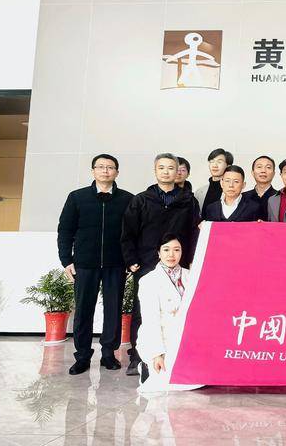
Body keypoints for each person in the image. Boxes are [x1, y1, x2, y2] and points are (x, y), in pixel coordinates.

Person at [121, 153, 200, 376]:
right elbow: (128, 232)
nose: (166, 172)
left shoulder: (188, 201)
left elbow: (194, 233)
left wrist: (191, 259)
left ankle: (178, 355)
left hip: (179, 264)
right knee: (142, 312)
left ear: (178, 172)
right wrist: (132, 260)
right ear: (155, 171)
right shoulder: (141, 200)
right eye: (161, 168)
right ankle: (138, 357)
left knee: (180, 310)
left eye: (170, 168)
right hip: (147, 263)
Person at [58, 154, 133, 375]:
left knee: (113, 309)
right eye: (100, 167)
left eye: (110, 167)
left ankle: (108, 354)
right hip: (84, 263)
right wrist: (66, 260)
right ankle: (82, 356)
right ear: (93, 171)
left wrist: (129, 260)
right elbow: (65, 230)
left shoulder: (127, 199)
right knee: (83, 310)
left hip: (115, 263)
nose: (105, 171)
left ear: (117, 172)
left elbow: (132, 233)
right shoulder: (77, 197)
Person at [135, 234, 202, 393]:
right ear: (158, 253)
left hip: (187, 339)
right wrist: (157, 353)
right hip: (161, 339)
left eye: (176, 250)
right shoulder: (148, 280)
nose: (171, 254)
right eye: (166, 250)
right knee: (166, 384)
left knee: (197, 382)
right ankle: (146, 366)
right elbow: (150, 321)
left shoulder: (192, 276)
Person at [194, 148, 233, 218]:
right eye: (212, 161)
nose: (214, 165)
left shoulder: (233, 191)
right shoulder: (199, 192)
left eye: (219, 162)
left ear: (228, 166)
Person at [242, 155, 277, 221]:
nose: (263, 171)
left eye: (268, 167)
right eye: (259, 167)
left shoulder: (280, 197)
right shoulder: (243, 197)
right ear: (252, 172)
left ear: (273, 173)